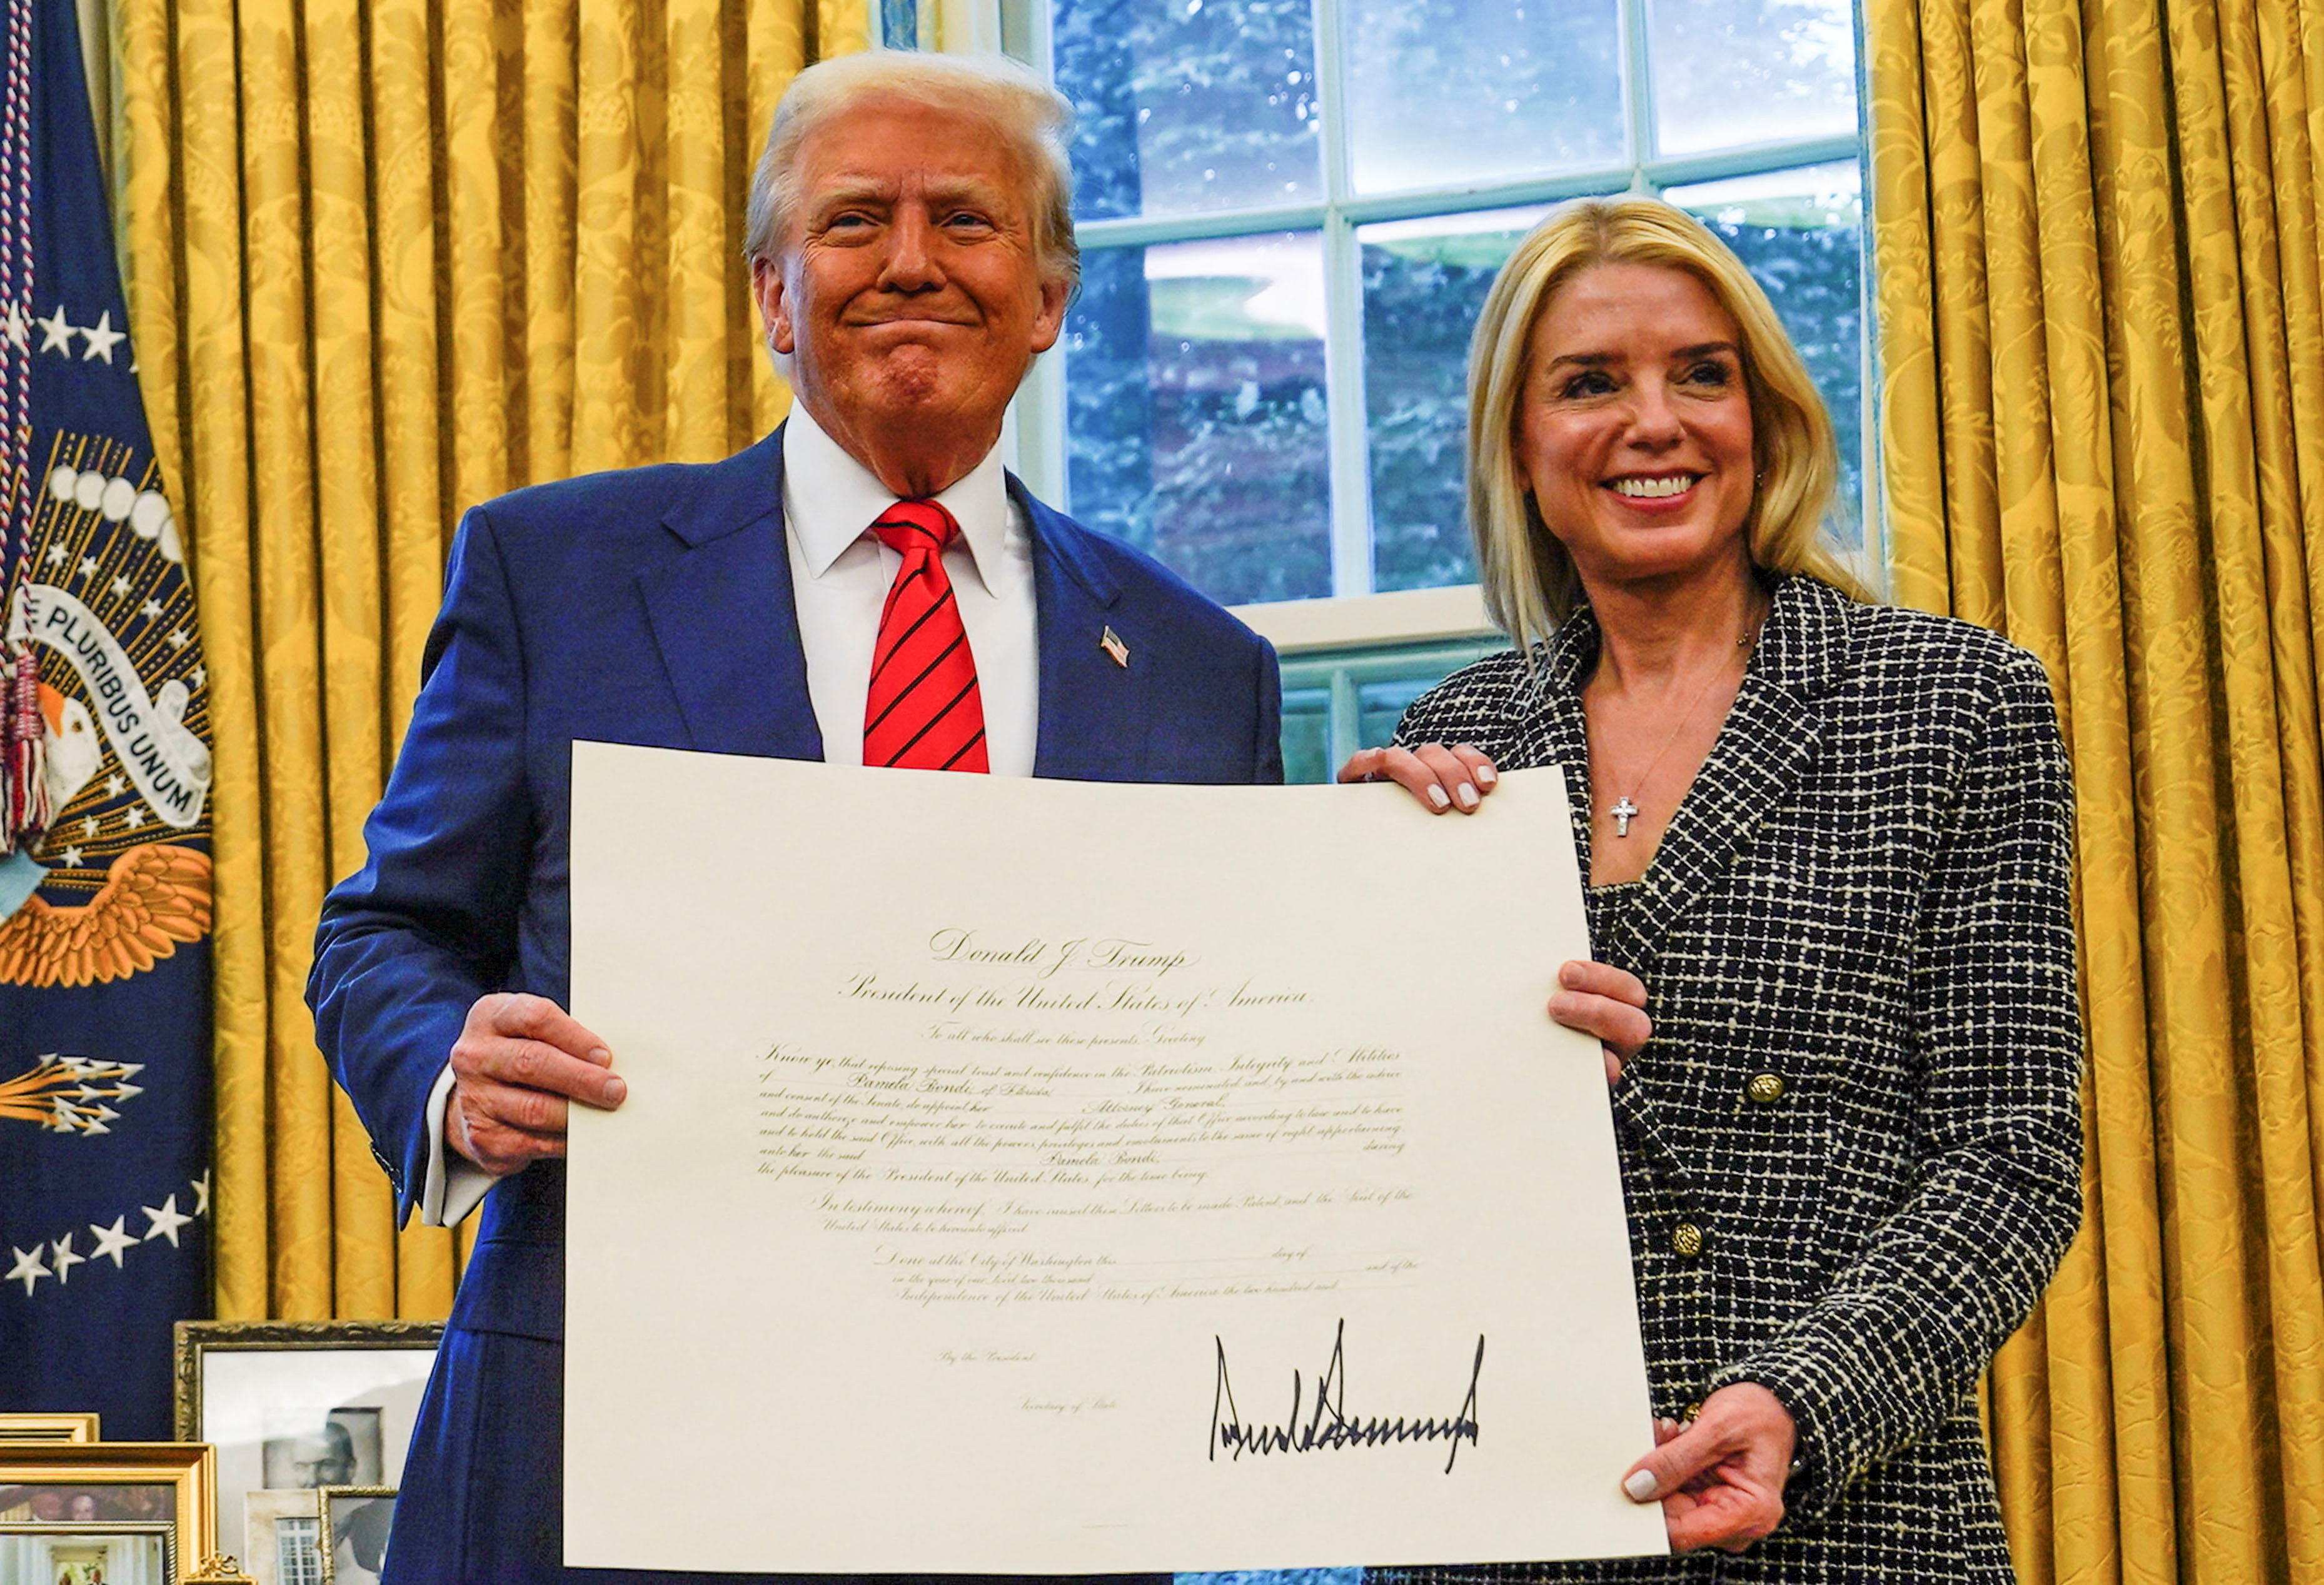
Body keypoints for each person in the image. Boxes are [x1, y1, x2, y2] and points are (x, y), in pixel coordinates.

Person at [307, 50, 1280, 1584]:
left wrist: (1407, 891)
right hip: (603, 1459)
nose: (908, 260)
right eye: (851, 222)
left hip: (1041, 1483)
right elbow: (387, 931)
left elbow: (1248, 1049)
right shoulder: (551, 571)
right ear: (773, 292)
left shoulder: (1196, 666)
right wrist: (449, 1066)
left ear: (1045, 295)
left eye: (964, 218)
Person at [1342, 196, 2081, 1580]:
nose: (1653, 421)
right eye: (1586, 383)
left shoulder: (1952, 701)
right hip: (1489, 1522)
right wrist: (1354, 960)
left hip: (1844, 1520)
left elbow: (2012, 1160)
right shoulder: (1446, 753)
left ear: (1765, 413)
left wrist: (1801, 1400)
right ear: (1517, 445)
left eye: (1700, 372)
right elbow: (1367, 1183)